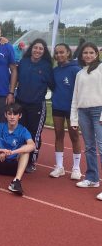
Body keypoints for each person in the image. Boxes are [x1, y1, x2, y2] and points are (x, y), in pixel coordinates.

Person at [15, 38, 55, 173]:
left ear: (44, 52)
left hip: (37, 105)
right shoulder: (23, 62)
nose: (37, 50)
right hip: (20, 103)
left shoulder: (46, 66)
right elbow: (15, 77)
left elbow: (53, 85)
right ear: (31, 48)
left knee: (34, 135)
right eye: (35, 47)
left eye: (41, 49)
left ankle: (31, 161)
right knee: (20, 132)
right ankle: (19, 157)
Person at [70, 42, 102, 201]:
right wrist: (74, 118)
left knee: (101, 147)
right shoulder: (79, 73)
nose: (88, 55)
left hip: (98, 111)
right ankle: (92, 178)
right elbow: (75, 98)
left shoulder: (101, 69)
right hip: (83, 112)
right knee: (89, 146)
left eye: (91, 52)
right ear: (81, 55)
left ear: (96, 54)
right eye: (85, 53)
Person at [0, 103, 35, 195]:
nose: (12, 117)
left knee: (25, 151)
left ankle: (16, 181)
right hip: (0, 161)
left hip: (15, 164)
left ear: (20, 116)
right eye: (9, 114)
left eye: (15, 114)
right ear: (6, 115)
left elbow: (32, 145)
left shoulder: (23, 130)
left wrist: (12, 152)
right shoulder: (0, 126)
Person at [50, 43, 81, 179]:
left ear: (68, 53)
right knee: (58, 135)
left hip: (72, 109)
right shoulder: (55, 71)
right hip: (57, 107)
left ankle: (76, 168)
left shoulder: (76, 70)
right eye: (56, 53)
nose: (59, 55)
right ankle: (59, 167)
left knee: (74, 136)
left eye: (62, 52)